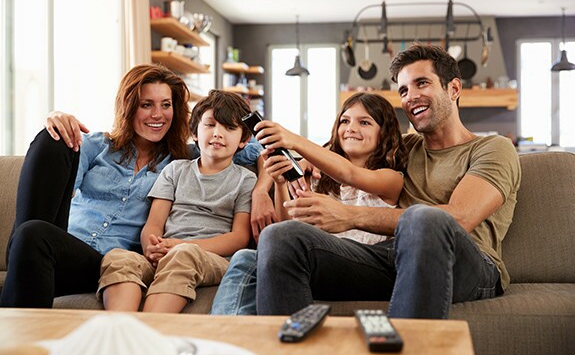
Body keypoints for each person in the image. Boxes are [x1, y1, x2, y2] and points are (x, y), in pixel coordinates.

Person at [254, 44, 521, 319]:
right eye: (404, 90)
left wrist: (350, 215)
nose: (411, 97)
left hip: (469, 264)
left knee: (424, 219)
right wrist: (270, 185)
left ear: (453, 89)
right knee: (281, 237)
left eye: (422, 83)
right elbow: (343, 156)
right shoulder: (404, 147)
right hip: (393, 257)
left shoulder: (492, 148)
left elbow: (460, 218)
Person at [0, 64, 272, 308]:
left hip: (108, 264)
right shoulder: (98, 146)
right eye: (147, 105)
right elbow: (57, 177)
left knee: (32, 235)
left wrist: (261, 190)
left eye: (166, 105)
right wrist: (57, 117)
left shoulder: (183, 158)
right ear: (129, 107)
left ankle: (23, 264)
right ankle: (22, 258)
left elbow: (263, 147)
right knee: (53, 140)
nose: (158, 114)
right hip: (69, 253)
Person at [211, 92, 407, 315]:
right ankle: (225, 332)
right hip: (314, 263)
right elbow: (285, 231)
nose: (351, 128)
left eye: (364, 122)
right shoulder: (317, 178)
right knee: (246, 257)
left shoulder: (391, 178)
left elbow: (349, 173)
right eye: (345, 121)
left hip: (359, 265)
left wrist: (294, 141)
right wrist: (280, 183)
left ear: (384, 133)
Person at [98, 90, 256, 313]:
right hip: (166, 252)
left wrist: (183, 246)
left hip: (211, 258)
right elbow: (154, 222)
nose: (218, 134)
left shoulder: (246, 179)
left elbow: (239, 238)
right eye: (210, 125)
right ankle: (122, 332)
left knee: (184, 255)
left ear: (244, 140)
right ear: (194, 133)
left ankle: (148, 337)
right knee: (118, 257)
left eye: (229, 128)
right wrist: (151, 246)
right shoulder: (175, 170)